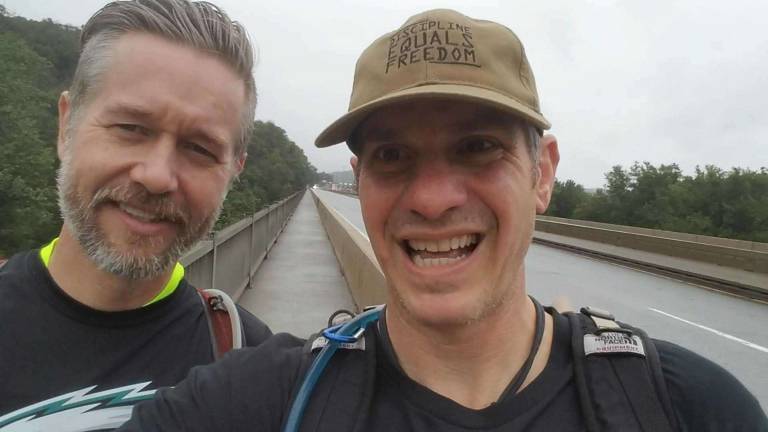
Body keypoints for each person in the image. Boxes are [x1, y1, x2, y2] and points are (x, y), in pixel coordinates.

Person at [117, 9, 768, 431]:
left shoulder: (688, 409)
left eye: (477, 147)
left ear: (543, 172)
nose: (431, 199)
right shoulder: (267, 402)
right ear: (359, 180)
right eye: (394, 156)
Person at [0, 0, 272, 429]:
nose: (157, 176)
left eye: (199, 149)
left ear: (234, 170)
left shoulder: (255, 366)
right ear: (65, 127)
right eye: (130, 128)